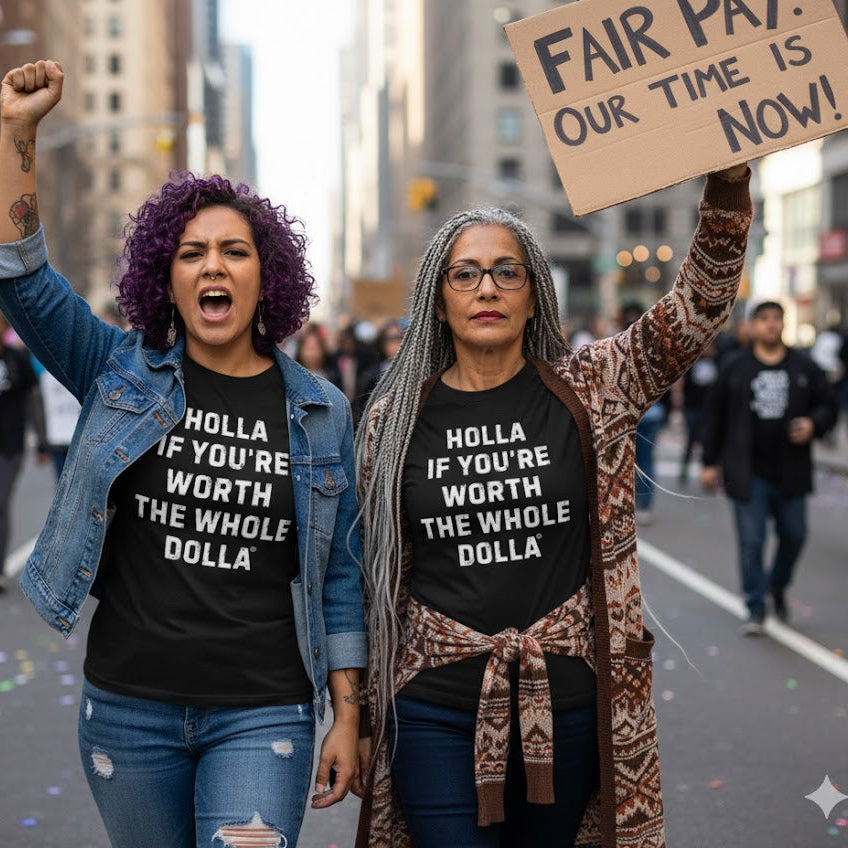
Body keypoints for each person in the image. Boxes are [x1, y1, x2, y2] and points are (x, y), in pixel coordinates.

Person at [0, 60, 365, 847]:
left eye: (235, 251)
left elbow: (340, 574)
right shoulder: (118, 370)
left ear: (266, 279)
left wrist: (349, 713)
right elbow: (23, 278)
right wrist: (17, 135)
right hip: (129, 710)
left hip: (264, 712)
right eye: (193, 252)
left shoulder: (318, 410)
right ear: (167, 277)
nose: (213, 266)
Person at [351, 159, 752, 847]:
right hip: (434, 711)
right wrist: (357, 715)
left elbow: (699, 308)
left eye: (509, 272)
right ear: (437, 298)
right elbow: (369, 582)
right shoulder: (392, 423)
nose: (488, 288)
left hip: (568, 706)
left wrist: (728, 189)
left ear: (535, 295)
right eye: (465, 273)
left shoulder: (595, 389)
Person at [700, 300, 838, 635]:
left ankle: (776, 586)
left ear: (784, 324)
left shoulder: (804, 366)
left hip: (791, 471)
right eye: (764, 319)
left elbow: (829, 405)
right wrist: (708, 462)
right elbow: (714, 415)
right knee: (752, 541)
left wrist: (813, 424)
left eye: (777, 319)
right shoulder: (735, 367)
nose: (771, 325)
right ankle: (755, 607)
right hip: (748, 472)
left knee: (795, 536)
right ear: (752, 325)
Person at [0, 312, 40, 592]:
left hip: (10, 445)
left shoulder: (17, 360)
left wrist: (42, 440)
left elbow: (33, 401)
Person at [678, 341, 719, 484]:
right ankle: (684, 471)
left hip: (707, 409)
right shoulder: (693, 360)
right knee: (691, 440)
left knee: (705, 440)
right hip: (692, 407)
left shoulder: (717, 361)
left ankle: (706, 471)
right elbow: (682, 380)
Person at [294, 321, 343, 389]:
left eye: (315, 348)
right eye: (308, 348)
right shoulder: (293, 377)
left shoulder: (333, 375)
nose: (311, 353)